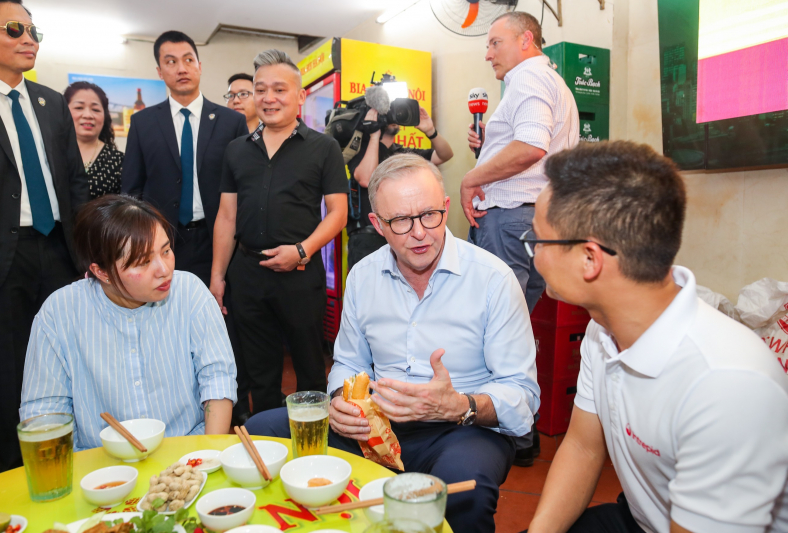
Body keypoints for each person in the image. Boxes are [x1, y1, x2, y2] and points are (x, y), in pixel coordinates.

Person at [247, 154, 539, 533]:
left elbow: (523, 397)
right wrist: (340, 401)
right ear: (377, 225)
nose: (419, 233)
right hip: (375, 423)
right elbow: (349, 364)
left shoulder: (493, 280)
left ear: (447, 208)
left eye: (430, 215)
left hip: (461, 430)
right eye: (401, 221)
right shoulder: (364, 276)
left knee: (461, 491)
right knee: (260, 432)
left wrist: (458, 406)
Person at [522, 141, 788, 533]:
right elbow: (582, 446)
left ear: (590, 259)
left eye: (540, 241)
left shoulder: (727, 384)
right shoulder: (603, 329)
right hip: (641, 516)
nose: (534, 255)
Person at [20, 195, 237, 451]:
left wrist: (206, 455)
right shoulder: (59, 314)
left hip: (187, 450)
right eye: (143, 262)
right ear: (101, 272)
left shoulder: (190, 292)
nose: (163, 269)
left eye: (166, 251)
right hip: (100, 465)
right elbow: (45, 412)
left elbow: (217, 379)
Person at [463, 10, 579, 466]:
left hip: (511, 218)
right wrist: (489, 148)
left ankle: (513, 431)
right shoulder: (544, 79)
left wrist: (473, 177)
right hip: (529, 219)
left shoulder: (528, 79)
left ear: (526, 40)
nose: (487, 52)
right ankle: (519, 427)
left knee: (495, 328)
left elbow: (531, 145)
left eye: (495, 42)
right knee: (513, 327)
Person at [211, 49, 349, 420]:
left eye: (279, 89)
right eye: (260, 90)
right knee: (260, 372)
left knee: (309, 368)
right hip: (247, 276)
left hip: (300, 276)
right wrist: (217, 276)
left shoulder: (324, 148)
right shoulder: (236, 151)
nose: (268, 98)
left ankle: (316, 450)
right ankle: (269, 444)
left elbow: (338, 214)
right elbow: (226, 217)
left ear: (300, 95)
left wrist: (301, 252)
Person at [0, 0, 88, 471]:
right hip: (1, 257)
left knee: (70, 355)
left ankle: (79, 457)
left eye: (33, 31)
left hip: (60, 250)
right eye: (14, 29)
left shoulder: (50, 103)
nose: (29, 39)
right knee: (6, 369)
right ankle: (15, 470)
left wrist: (87, 249)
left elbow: (74, 183)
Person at [121, 30, 248, 286]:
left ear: (199, 66)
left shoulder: (231, 122)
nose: (182, 68)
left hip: (218, 242)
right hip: (159, 244)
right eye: (171, 62)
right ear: (159, 71)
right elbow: (131, 190)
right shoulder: (143, 123)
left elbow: (245, 187)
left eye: (189, 60)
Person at [347, 107, 453, 269]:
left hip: (405, 234)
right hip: (368, 237)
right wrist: (373, 134)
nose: (392, 117)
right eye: (387, 113)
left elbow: (445, 155)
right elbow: (366, 179)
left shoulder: (402, 153)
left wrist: (430, 131)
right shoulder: (362, 150)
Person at [65, 81, 124, 199]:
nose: (88, 115)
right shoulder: (50, 154)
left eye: (96, 110)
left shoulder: (120, 161)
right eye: (79, 107)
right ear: (63, 111)